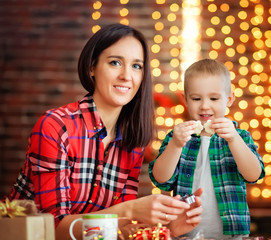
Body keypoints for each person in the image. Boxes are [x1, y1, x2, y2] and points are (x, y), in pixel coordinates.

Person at [5, 23, 203, 239]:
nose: (127, 76)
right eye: (115, 62)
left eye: (136, 66)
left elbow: (117, 231)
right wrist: (130, 210)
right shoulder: (56, 126)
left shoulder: (132, 141)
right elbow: (53, 228)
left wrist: (167, 228)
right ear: (92, 67)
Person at [149, 58, 265, 239]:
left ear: (229, 99)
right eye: (196, 98)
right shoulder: (178, 137)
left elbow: (254, 175)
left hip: (231, 234)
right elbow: (160, 179)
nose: (204, 105)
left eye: (214, 98)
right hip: (185, 232)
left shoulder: (239, 136)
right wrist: (176, 145)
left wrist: (234, 139)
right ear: (185, 99)